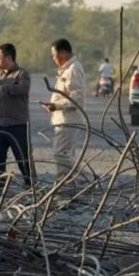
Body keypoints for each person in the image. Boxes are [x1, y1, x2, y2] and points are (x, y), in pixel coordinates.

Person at [0, 43, 33, 190]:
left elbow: (23, 89)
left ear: (8, 57)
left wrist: (3, 87)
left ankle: (31, 186)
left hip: (18, 123)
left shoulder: (22, 74)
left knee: (23, 158)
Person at [42, 39, 87, 180]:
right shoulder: (66, 69)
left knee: (60, 154)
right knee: (67, 155)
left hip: (69, 120)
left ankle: (87, 179)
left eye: (54, 55)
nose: (53, 58)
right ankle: (66, 186)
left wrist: (57, 106)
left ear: (63, 53)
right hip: (62, 119)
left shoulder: (73, 70)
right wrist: (53, 104)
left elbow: (77, 99)